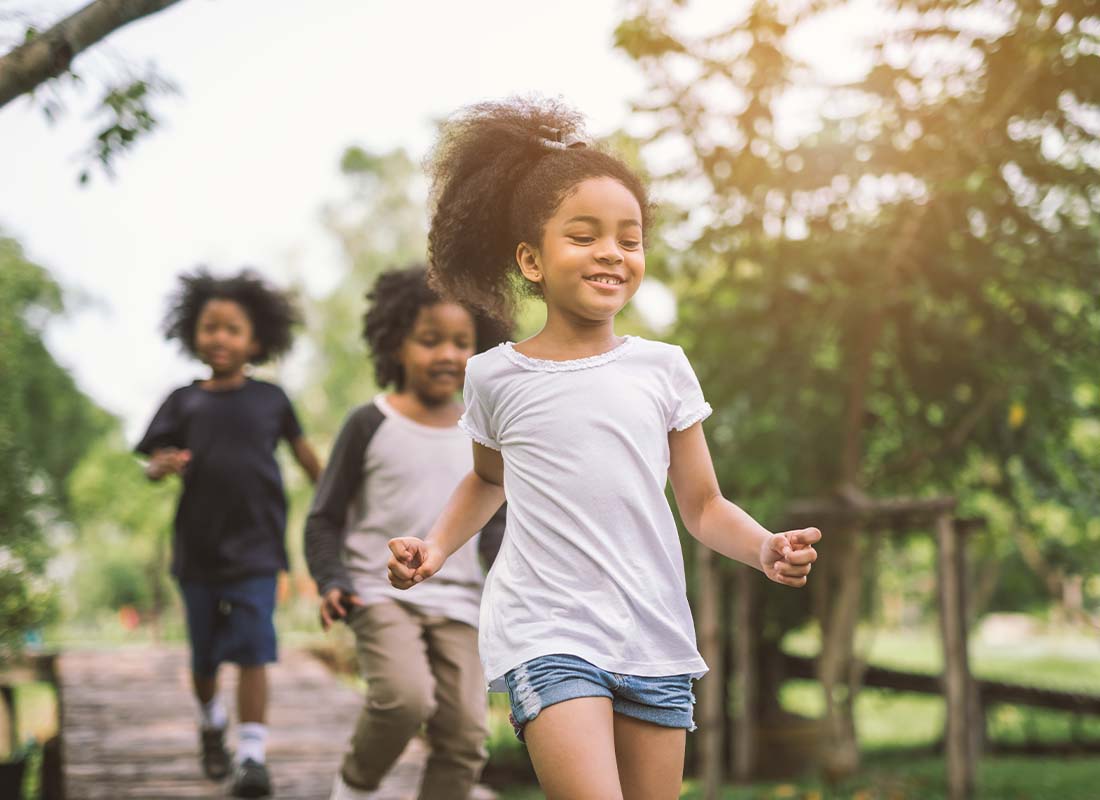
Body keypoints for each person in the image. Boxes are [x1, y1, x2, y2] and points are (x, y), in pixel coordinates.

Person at [386, 98, 822, 800]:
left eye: (630, 237)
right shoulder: (495, 375)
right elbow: (485, 480)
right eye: (584, 236)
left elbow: (704, 506)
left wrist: (764, 547)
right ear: (531, 259)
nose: (612, 253)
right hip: (545, 629)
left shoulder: (664, 369)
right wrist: (436, 548)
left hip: (652, 632)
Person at [305, 266, 509, 800]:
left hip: (461, 602)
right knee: (404, 698)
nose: (447, 354)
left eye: (462, 342)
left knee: (465, 734)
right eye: (430, 340)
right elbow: (323, 516)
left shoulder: (483, 430)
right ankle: (354, 786)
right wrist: (331, 579)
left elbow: (496, 523)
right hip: (377, 593)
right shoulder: (368, 423)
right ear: (396, 344)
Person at [137, 268, 321, 799]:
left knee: (254, 651)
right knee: (203, 661)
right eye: (209, 327)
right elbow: (150, 462)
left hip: (259, 548)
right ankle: (210, 719)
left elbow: (307, 458)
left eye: (232, 329)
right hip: (197, 550)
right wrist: (161, 466)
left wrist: (337, 497)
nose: (220, 337)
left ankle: (252, 757)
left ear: (256, 340)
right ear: (192, 334)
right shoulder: (182, 400)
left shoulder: (272, 400)